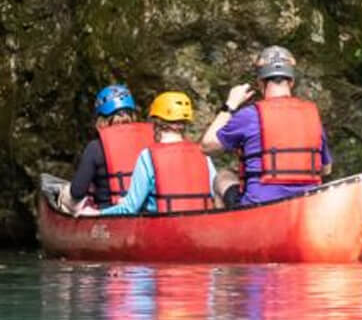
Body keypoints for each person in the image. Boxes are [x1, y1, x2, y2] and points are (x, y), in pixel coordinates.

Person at [202, 45, 331, 206]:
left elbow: (207, 146)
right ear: (291, 82)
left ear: (260, 83)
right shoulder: (312, 115)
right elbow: (326, 169)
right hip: (305, 205)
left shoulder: (249, 115)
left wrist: (230, 104)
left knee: (222, 177)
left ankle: (229, 222)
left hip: (259, 205)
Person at [79, 91, 217, 217]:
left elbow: (129, 208)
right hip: (199, 224)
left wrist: (97, 213)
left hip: (162, 227)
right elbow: (215, 193)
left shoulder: (148, 156)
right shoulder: (203, 154)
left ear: (155, 122)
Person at [65, 84, 153, 213]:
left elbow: (77, 192)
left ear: (101, 119)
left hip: (107, 213)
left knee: (66, 196)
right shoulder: (150, 143)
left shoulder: (95, 148)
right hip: (144, 212)